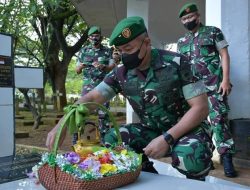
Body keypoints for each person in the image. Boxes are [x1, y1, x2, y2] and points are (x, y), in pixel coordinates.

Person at [47, 16, 214, 181]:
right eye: (119, 50)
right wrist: (62, 124)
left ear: (147, 43)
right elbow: (92, 97)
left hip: (187, 130)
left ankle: (197, 183)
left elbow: (200, 108)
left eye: (128, 49)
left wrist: (167, 139)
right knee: (113, 140)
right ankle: (146, 175)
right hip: (152, 130)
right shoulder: (121, 73)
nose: (124, 55)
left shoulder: (177, 63)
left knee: (191, 157)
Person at [177, 3, 237, 177]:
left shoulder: (213, 32)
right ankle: (205, 158)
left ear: (198, 16)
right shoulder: (182, 42)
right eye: (184, 19)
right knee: (198, 124)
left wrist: (226, 80)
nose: (188, 20)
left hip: (214, 85)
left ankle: (227, 159)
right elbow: (182, 66)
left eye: (190, 17)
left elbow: (224, 55)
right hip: (193, 91)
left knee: (219, 121)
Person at [74, 26, 115, 144]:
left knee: (104, 115)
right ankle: (79, 139)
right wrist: (80, 67)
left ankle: (105, 141)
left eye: (97, 36)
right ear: (89, 38)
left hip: (103, 86)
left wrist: (103, 67)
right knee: (82, 112)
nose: (94, 38)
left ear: (100, 37)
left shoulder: (108, 51)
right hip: (87, 87)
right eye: (92, 36)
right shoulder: (83, 51)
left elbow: (111, 67)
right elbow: (76, 70)